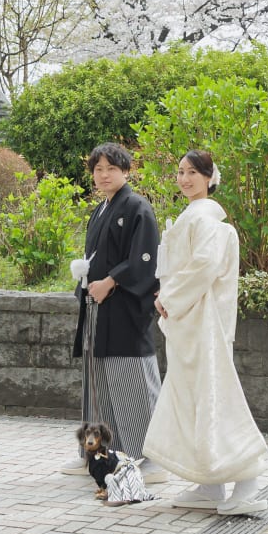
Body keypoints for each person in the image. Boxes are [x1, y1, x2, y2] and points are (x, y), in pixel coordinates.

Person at [143, 149, 268, 516]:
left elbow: (204, 265)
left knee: (217, 398)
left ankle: (248, 485)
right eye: (181, 172)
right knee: (197, 400)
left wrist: (169, 296)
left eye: (193, 173)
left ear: (209, 178)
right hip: (191, 323)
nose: (184, 179)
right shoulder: (198, 216)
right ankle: (211, 484)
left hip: (202, 324)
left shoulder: (204, 218)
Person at [61, 142, 164, 477]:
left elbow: (145, 259)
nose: (103, 175)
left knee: (132, 382)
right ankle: (98, 455)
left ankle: (151, 459)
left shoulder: (137, 208)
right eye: (98, 169)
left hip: (124, 310)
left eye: (111, 169)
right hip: (98, 310)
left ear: (126, 171)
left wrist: (111, 281)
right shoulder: (102, 209)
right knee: (98, 387)